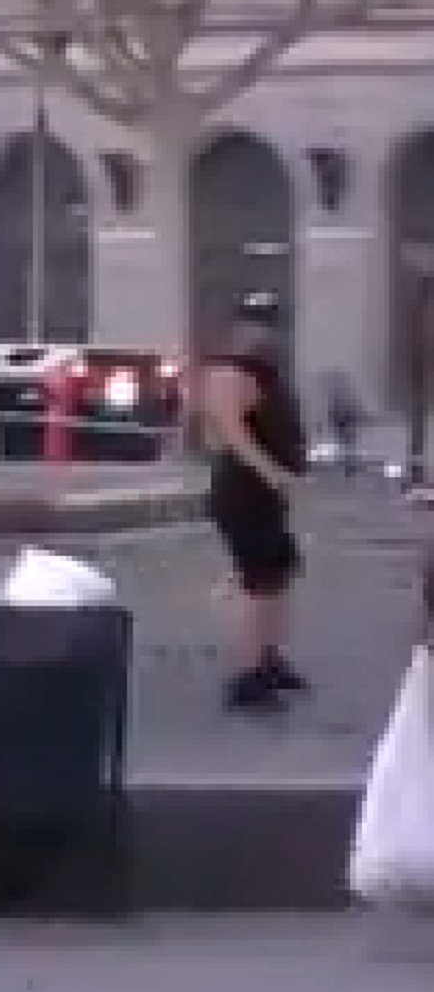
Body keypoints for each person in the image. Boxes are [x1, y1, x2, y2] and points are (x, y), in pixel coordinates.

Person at [204, 294, 311, 712]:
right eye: (255, 322)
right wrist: (273, 473)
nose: (264, 331)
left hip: (265, 495)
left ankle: (269, 658)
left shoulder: (267, 372)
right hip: (243, 493)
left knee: (278, 574)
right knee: (257, 581)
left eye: (270, 322)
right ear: (238, 327)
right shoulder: (230, 370)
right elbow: (232, 431)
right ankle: (248, 676)